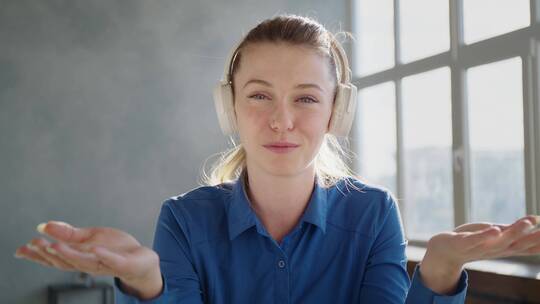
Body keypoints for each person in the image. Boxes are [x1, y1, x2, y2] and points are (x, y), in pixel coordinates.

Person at [14, 14, 540, 304]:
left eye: (307, 98)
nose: (282, 120)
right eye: (260, 95)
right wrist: (149, 284)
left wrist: (440, 271)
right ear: (231, 108)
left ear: (337, 111)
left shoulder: (375, 214)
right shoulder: (183, 219)